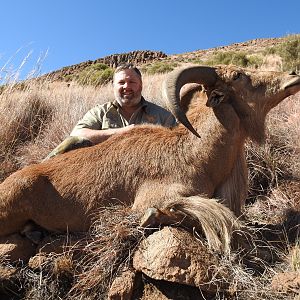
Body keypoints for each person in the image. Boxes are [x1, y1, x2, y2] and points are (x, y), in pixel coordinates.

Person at [45, 63, 176, 159]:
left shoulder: (164, 116)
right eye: (121, 82)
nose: (126, 86)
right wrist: (123, 132)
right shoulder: (100, 112)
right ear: (113, 86)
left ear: (140, 85)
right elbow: (77, 133)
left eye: (132, 82)